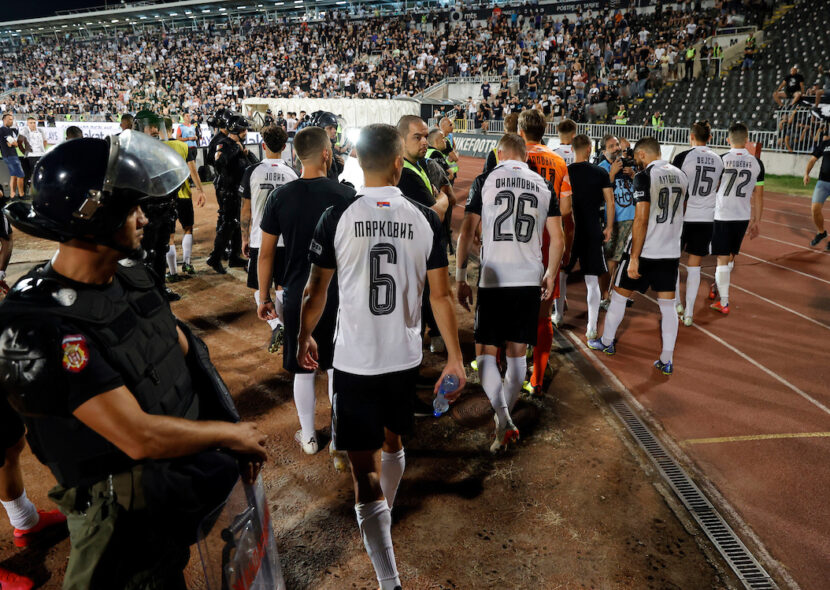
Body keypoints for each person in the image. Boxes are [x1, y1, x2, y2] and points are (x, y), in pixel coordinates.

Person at [0, 131, 267, 589]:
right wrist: (229, 434)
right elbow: (136, 436)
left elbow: (182, 348)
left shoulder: (131, 275)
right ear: (93, 218)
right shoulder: (38, 325)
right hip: (113, 515)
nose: (144, 218)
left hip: (163, 491)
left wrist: (224, 421)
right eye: (130, 209)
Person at [298, 123, 465, 590]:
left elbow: (316, 291)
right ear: (398, 163)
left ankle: (388, 577)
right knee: (394, 446)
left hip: (354, 361)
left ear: (356, 159)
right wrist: (453, 357)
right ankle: (383, 522)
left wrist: (301, 337)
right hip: (404, 357)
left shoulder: (337, 216)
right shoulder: (425, 219)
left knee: (361, 471)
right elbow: (440, 297)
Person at [456, 133, 564, 447]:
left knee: (487, 354)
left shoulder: (486, 179)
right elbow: (557, 238)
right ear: (525, 157)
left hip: (494, 277)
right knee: (518, 357)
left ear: (500, 153)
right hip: (529, 276)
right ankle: (504, 420)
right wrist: (551, 273)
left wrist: (461, 275)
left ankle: (503, 417)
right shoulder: (543, 185)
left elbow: (466, 230)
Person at [256, 126, 355, 465]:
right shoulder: (344, 196)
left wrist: (263, 297)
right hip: (339, 293)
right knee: (336, 367)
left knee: (304, 368)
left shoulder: (280, 197)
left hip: (298, 293)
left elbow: (266, 254)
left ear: (295, 155)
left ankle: (309, 437)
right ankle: (340, 440)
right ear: (327, 154)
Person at [588, 137, 688, 376]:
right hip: (670, 252)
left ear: (642, 154)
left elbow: (641, 219)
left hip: (646, 251)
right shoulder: (681, 175)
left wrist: (634, 257)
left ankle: (608, 341)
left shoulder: (645, 176)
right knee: (667, 307)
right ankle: (666, 359)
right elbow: (681, 211)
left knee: (619, 296)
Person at [517, 109, 572, 397]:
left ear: (521, 131)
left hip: (515, 242)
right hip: (548, 241)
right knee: (542, 315)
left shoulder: (508, 155)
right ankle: (537, 378)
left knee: (510, 307)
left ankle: (502, 362)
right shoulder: (559, 161)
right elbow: (565, 210)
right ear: (545, 130)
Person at [396, 115, 449, 371]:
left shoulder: (417, 167)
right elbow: (436, 212)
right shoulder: (406, 174)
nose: (424, 142)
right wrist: (443, 201)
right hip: (414, 257)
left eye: (426, 136)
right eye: (417, 137)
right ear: (401, 140)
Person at [242, 125, 298, 355]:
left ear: (263, 145)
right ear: (285, 147)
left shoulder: (252, 171)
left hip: (259, 238)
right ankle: (287, 333)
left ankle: (277, 326)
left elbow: (246, 210)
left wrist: (244, 237)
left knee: (260, 287)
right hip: (286, 240)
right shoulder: (293, 173)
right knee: (283, 287)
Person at [672, 121, 724, 325]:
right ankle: (690, 313)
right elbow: (718, 185)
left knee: (673, 261)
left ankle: (677, 302)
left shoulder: (683, 157)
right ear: (709, 138)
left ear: (691, 136)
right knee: (695, 266)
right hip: (705, 218)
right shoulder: (718, 160)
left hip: (683, 216)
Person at [710, 123, 765, 315]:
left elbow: (712, 187)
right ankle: (718, 284)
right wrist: (757, 220)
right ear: (747, 140)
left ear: (728, 140)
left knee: (722, 258)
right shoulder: (757, 163)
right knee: (730, 255)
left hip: (723, 214)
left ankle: (724, 301)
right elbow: (759, 195)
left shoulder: (721, 160)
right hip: (742, 215)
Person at [565, 134, 615, 339]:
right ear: (588, 149)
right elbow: (610, 202)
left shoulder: (565, 172)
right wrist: (609, 227)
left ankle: (558, 316)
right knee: (591, 279)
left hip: (571, 229)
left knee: (562, 273)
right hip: (593, 228)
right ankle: (592, 327)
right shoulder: (601, 172)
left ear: (572, 149)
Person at [208, 114, 257, 274]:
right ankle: (215, 258)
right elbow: (219, 163)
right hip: (227, 191)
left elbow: (252, 165)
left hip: (238, 191)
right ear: (237, 129)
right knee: (227, 223)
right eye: (244, 129)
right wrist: (237, 148)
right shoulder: (224, 144)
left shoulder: (239, 145)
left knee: (236, 224)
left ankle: (234, 257)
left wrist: (246, 153)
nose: (246, 132)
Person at [162, 117, 206, 281]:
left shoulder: (158, 147)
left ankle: (173, 273)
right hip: (184, 194)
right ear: (171, 130)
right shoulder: (183, 146)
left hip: (165, 197)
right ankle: (187, 263)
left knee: (170, 236)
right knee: (188, 228)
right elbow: (193, 171)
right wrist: (201, 190)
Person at [598, 134, 637, 307]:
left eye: (617, 145)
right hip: (616, 220)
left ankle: (619, 294)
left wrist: (634, 176)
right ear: (604, 150)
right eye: (612, 146)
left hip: (634, 218)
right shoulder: (601, 168)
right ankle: (605, 296)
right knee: (611, 259)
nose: (616, 148)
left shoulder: (628, 165)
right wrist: (611, 175)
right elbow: (599, 196)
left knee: (627, 259)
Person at [806, 134, 830, 248]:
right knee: (815, 210)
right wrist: (806, 174)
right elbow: (813, 159)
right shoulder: (825, 143)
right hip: (823, 182)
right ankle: (821, 232)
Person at [0, 114, 24, 200]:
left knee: (13, 176)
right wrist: (14, 143)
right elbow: (14, 143)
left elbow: (12, 142)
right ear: (5, 120)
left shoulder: (7, 130)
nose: (12, 121)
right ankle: (21, 195)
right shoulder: (4, 130)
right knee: (20, 175)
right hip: (10, 156)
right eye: (10, 119)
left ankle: (12, 195)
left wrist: (13, 143)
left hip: (8, 155)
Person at [20, 117, 47, 194]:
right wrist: (25, 152)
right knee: (32, 174)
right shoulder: (24, 132)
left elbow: (45, 141)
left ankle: (39, 191)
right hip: (31, 156)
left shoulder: (41, 131)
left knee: (40, 173)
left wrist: (42, 150)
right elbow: (19, 143)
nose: (33, 124)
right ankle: (31, 192)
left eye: (34, 122)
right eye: (30, 123)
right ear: (27, 124)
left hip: (41, 155)